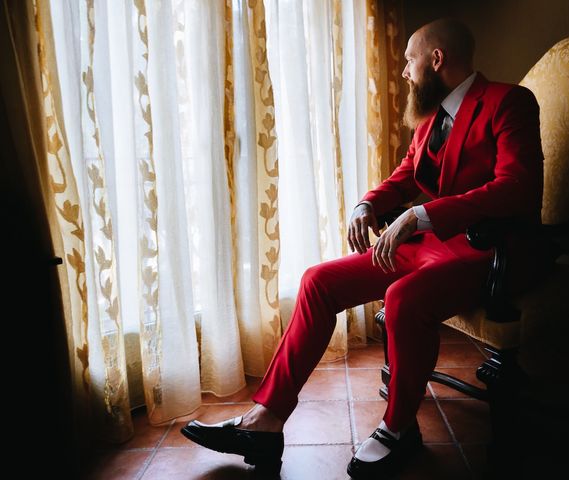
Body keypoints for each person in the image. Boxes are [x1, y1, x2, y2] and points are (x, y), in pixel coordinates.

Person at [181, 17, 544, 479]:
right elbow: (408, 174)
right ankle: (265, 421)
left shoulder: (509, 101)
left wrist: (419, 216)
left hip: (493, 251)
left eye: (410, 60)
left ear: (437, 60)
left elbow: (516, 188)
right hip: (434, 244)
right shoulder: (431, 117)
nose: (405, 73)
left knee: (402, 298)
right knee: (317, 281)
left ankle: (399, 429)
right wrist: (367, 203)